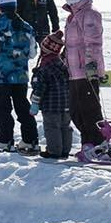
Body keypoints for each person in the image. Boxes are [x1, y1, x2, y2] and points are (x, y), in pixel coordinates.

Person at [0, 0, 40, 153]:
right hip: (20, 75)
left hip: (2, 75)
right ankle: (31, 139)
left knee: (3, 107)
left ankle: (4, 139)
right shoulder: (26, 26)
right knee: (22, 105)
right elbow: (32, 52)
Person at [62, 0, 107, 153]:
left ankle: (98, 142)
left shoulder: (90, 14)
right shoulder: (72, 16)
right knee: (76, 111)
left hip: (87, 71)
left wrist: (91, 66)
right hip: (73, 73)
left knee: (90, 111)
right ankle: (87, 142)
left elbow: (93, 43)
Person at [31, 30, 72, 159]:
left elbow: (40, 88)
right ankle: (65, 150)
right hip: (66, 104)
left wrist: (35, 103)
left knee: (52, 127)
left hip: (51, 105)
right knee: (65, 126)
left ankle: (54, 151)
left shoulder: (45, 67)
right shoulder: (62, 65)